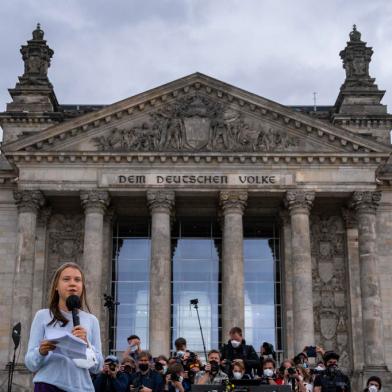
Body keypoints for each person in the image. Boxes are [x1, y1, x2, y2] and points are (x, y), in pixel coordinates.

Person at [25, 262, 103, 392]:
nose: (72, 283)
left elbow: (98, 367)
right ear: (56, 285)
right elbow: (30, 364)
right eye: (66, 279)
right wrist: (41, 351)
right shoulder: (42, 316)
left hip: (81, 388)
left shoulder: (91, 320)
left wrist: (87, 344)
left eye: (77, 280)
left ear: (82, 286)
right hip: (48, 386)